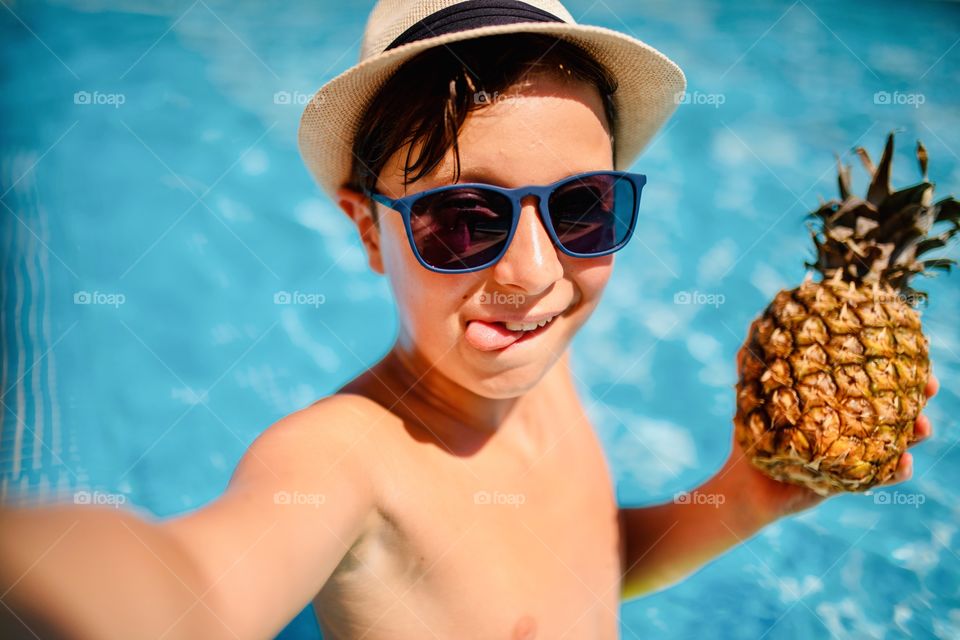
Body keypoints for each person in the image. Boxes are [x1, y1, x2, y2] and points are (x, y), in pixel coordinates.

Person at [0, 1, 939, 638]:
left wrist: (742, 498)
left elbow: (580, 565)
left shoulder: (535, 361)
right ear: (368, 228)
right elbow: (192, 589)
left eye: (583, 209)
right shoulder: (347, 463)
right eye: (463, 219)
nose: (533, 273)